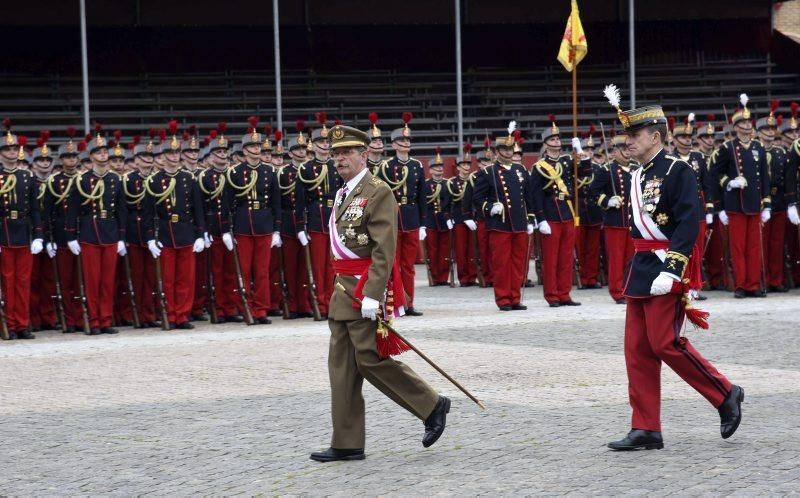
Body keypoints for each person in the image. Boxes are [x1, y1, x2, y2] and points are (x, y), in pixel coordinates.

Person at [601, 91, 743, 450]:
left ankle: (725, 392)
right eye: (625, 137)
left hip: (666, 265)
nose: (627, 142)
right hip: (642, 266)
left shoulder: (678, 170)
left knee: (664, 341)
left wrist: (674, 268)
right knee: (637, 348)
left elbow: (688, 221)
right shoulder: (637, 175)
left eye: (633, 136)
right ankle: (646, 427)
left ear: (655, 136)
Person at [310, 124, 449, 463]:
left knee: (370, 359)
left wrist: (373, 293)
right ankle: (346, 442)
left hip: (361, 290)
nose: (340, 159)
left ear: (364, 155)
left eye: (347, 153)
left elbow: (384, 249)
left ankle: (431, 404)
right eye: (336, 153)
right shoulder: (343, 192)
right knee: (341, 369)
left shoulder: (378, 191)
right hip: (341, 290)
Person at [142, 125, 207, 329]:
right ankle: (170, 314)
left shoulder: (188, 178)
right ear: (162, 156)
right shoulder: (154, 181)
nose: (173, 156)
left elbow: (198, 210)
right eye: (169, 152)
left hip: (186, 231)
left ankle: (182, 315)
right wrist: (150, 238)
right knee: (168, 280)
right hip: (165, 232)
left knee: (185, 279)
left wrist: (200, 234)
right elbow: (147, 213)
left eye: (176, 152)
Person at [66, 126, 127, 335]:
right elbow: (72, 210)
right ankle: (93, 320)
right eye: (99, 152)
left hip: (109, 232)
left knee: (108, 281)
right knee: (92, 282)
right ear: (91, 156)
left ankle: (105, 319)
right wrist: (71, 236)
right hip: (89, 233)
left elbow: (121, 211)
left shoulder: (115, 179)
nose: (104, 154)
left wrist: (121, 237)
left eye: (105, 151)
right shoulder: (81, 180)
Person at [468, 123, 535, 310]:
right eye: (504, 149)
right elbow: (477, 199)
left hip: (519, 222)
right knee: (501, 264)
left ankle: (515, 297)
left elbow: (528, 197)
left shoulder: (521, 170)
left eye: (510, 149)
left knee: (518, 262)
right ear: (497, 151)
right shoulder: (487, 172)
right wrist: (489, 207)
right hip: (500, 224)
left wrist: (530, 218)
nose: (507, 152)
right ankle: (504, 298)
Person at [710, 95, 771, 298]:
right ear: (735, 126)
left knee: (754, 247)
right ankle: (741, 285)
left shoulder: (758, 147)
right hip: (736, 204)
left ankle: (754, 284)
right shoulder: (727, 148)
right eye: (743, 122)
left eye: (748, 122)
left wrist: (767, 203)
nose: (747, 125)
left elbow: (764, 176)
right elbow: (715, 174)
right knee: (737, 247)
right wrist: (730, 182)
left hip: (754, 203)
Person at [225, 124, 282, 324]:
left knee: (262, 271)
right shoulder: (235, 172)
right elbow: (227, 204)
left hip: (264, 224)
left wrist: (276, 229)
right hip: (243, 226)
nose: (257, 149)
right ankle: (245, 307)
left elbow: (276, 203)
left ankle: (261, 310)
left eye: (258, 146)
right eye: (253, 146)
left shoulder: (269, 171)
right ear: (245, 150)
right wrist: (226, 230)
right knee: (243, 270)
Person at [375, 112, 426, 316]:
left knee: (409, 265)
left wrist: (423, 223)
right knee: (393, 263)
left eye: (408, 140)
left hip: (412, 217)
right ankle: (394, 302)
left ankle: (408, 302)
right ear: (394, 145)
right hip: (392, 219)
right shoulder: (386, 167)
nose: (406, 143)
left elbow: (423, 196)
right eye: (401, 140)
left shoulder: (417, 166)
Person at [530, 115, 581, 307]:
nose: (557, 141)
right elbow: (536, 195)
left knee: (566, 258)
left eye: (558, 139)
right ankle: (552, 295)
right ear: (545, 143)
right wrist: (540, 219)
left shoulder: (568, 161)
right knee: (551, 259)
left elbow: (584, 176)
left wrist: (580, 152)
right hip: (550, 215)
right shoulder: (538, 167)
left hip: (567, 213)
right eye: (552, 139)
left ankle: (564, 293)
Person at [296, 113, 342, 318]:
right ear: (312, 145)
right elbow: (300, 200)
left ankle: (333, 303)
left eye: (327, 141)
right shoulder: (305, 169)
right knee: (317, 267)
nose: (324, 145)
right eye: (320, 142)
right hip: (315, 219)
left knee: (334, 267)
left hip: (335, 219)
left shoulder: (338, 166)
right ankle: (320, 303)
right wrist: (299, 227)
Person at [0, 123, 43, 339]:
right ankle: (9, 323)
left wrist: (38, 235)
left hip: (24, 232)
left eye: (14, 149)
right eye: (7, 149)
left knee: (23, 281)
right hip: (4, 231)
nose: (11, 152)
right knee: (7, 281)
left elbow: (35, 208)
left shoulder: (27, 176)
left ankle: (22, 324)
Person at [589, 134, 635, 304]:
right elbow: (592, 193)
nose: (627, 151)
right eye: (622, 148)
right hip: (615, 221)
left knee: (632, 258)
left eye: (628, 147)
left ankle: (630, 288)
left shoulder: (637, 168)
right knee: (616, 259)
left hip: (632, 222)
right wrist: (607, 201)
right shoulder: (606, 170)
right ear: (614, 151)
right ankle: (617, 291)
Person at [447, 144, 478, 286]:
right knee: (460, 249)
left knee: (472, 248)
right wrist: (449, 218)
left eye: (468, 164)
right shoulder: (452, 183)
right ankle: (463, 277)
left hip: (473, 217)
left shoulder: (475, 180)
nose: (466, 167)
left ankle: (472, 276)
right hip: (459, 218)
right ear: (458, 167)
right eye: (463, 165)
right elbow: (448, 203)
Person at [422, 148, 452, 285]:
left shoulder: (448, 184)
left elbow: (452, 203)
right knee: (433, 250)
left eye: (441, 167)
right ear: (430, 170)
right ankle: (434, 277)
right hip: (430, 220)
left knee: (445, 250)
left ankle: (443, 278)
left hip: (444, 220)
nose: (439, 169)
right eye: (436, 167)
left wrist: (451, 218)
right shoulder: (425, 185)